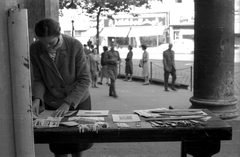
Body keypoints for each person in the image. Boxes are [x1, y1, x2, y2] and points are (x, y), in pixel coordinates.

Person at [30, 18, 93, 157]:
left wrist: (67, 103)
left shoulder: (74, 45)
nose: (47, 46)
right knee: (58, 145)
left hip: (77, 99)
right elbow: (39, 78)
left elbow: (85, 79)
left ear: (59, 34)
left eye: (51, 42)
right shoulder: (34, 48)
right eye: (42, 42)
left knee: (78, 143)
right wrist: (37, 99)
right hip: (53, 100)